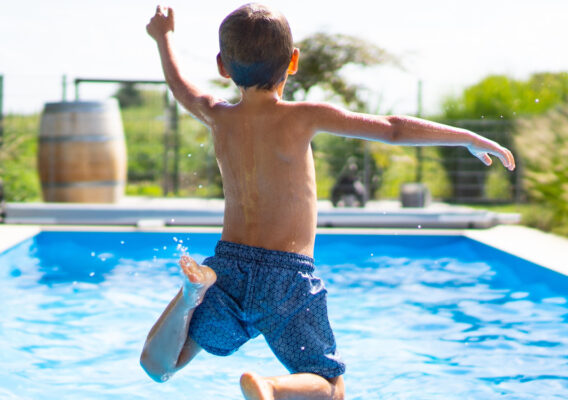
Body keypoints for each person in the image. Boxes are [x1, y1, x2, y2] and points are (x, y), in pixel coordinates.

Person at [140, 4, 516, 400]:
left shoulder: (218, 116)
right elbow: (393, 128)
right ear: (293, 61)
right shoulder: (303, 116)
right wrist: (467, 137)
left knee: (161, 367)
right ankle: (269, 386)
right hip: (287, 276)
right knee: (331, 387)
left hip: (227, 267)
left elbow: (181, 87)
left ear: (223, 66)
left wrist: (163, 38)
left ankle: (189, 298)